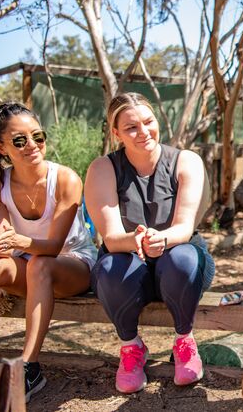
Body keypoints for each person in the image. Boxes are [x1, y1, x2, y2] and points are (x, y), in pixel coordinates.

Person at [84, 92, 214, 394]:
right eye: (131, 127)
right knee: (110, 269)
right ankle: (131, 348)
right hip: (130, 265)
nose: (143, 132)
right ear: (116, 133)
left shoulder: (186, 161)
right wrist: (137, 240)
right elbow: (112, 238)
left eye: (148, 122)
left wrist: (160, 238)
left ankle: (185, 341)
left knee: (181, 258)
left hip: (180, 265)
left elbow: (183, 228)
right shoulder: (103, 168)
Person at [0, 102, 97, 402]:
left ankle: (29, 368)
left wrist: (9, 242)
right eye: (20, 140)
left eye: (37, 137)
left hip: (73, 264)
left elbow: (54, 247)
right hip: (28, 263)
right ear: (3, 148)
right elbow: (5, 239)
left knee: (40, 264)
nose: (32, 145)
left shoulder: (66, 179)